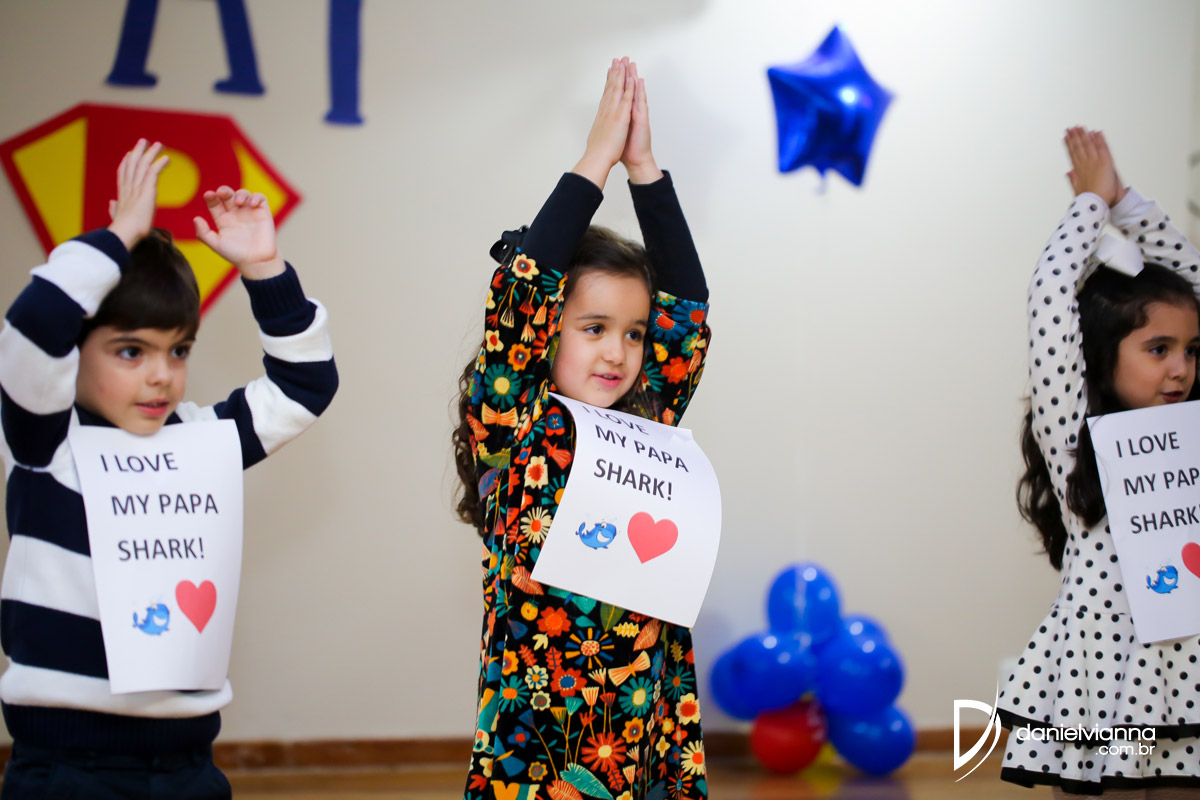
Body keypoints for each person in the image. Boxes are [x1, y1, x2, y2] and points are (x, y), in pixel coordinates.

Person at [0, 139, 338, 799]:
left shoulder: (197, 440)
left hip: (188, 764)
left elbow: (304, 387)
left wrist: (264, 268)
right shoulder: (47, 443)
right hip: (66, 768)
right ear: (74, 352)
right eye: (131, 351)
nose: (161, 374)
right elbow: (33, 326)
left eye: (178, 350)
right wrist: (120, 235)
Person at [453, 59, 712, 799]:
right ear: (548, 331)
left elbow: (687, 308)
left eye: (632, 334)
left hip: (647, 730)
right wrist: (597, 160)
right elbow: (523, 296)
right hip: (538, 749)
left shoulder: (648, 421)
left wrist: (646, 172)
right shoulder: (514, 425)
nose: (617, 352)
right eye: (594, 328)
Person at [1003, 127, 1200, 796]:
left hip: (1186, 673)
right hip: (1106, 676)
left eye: (1191, 351)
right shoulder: (1074, 435)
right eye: (1158, 349)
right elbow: (1049, 295)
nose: (1180, 368)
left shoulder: (1190, 431)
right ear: (1102, 354)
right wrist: (1093, 204)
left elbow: (1193, 290)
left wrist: (1131, 207)